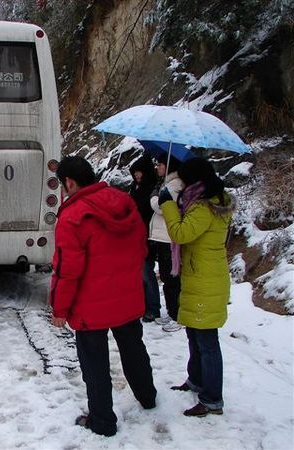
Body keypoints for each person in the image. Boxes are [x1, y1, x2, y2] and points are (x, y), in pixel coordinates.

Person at [50, 156, 156, 437]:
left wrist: (60, 308)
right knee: (134, 349)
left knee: (94, 364)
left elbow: (67, 270)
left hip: (90, 305)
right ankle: (148, 397)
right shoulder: (125, 201)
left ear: (69, 182)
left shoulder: (72, 216)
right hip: (127, 296)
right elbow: (140, 247)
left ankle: (103, 421)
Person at [158, 157, 234, 417]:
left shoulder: (205, 206)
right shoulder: (208, 200)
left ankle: (212, 399)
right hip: (200, 275)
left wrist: (167, 204)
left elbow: (181, 233)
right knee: (195, 333)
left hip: (205, 279)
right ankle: (196, 379)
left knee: (207, 340)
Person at [147, 153, 184, 331]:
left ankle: (178, 314)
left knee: (171, 278)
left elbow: (163, 207)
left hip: (168, 236)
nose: (158, 168)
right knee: (166, 276)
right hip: (162, 236)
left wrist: (154, 197)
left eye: (161, 164)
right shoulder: (168, 184)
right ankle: (172, 311)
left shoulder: (175, 185)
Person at [128, 154, 159, 321]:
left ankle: (153, 307)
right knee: (138, 273)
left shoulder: (152, 189)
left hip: (148, 235)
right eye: (135, 173)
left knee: (146, 272)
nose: (137, 175)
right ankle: (143, 305)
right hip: (135, 236)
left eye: (139, 172)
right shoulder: (135, 188)